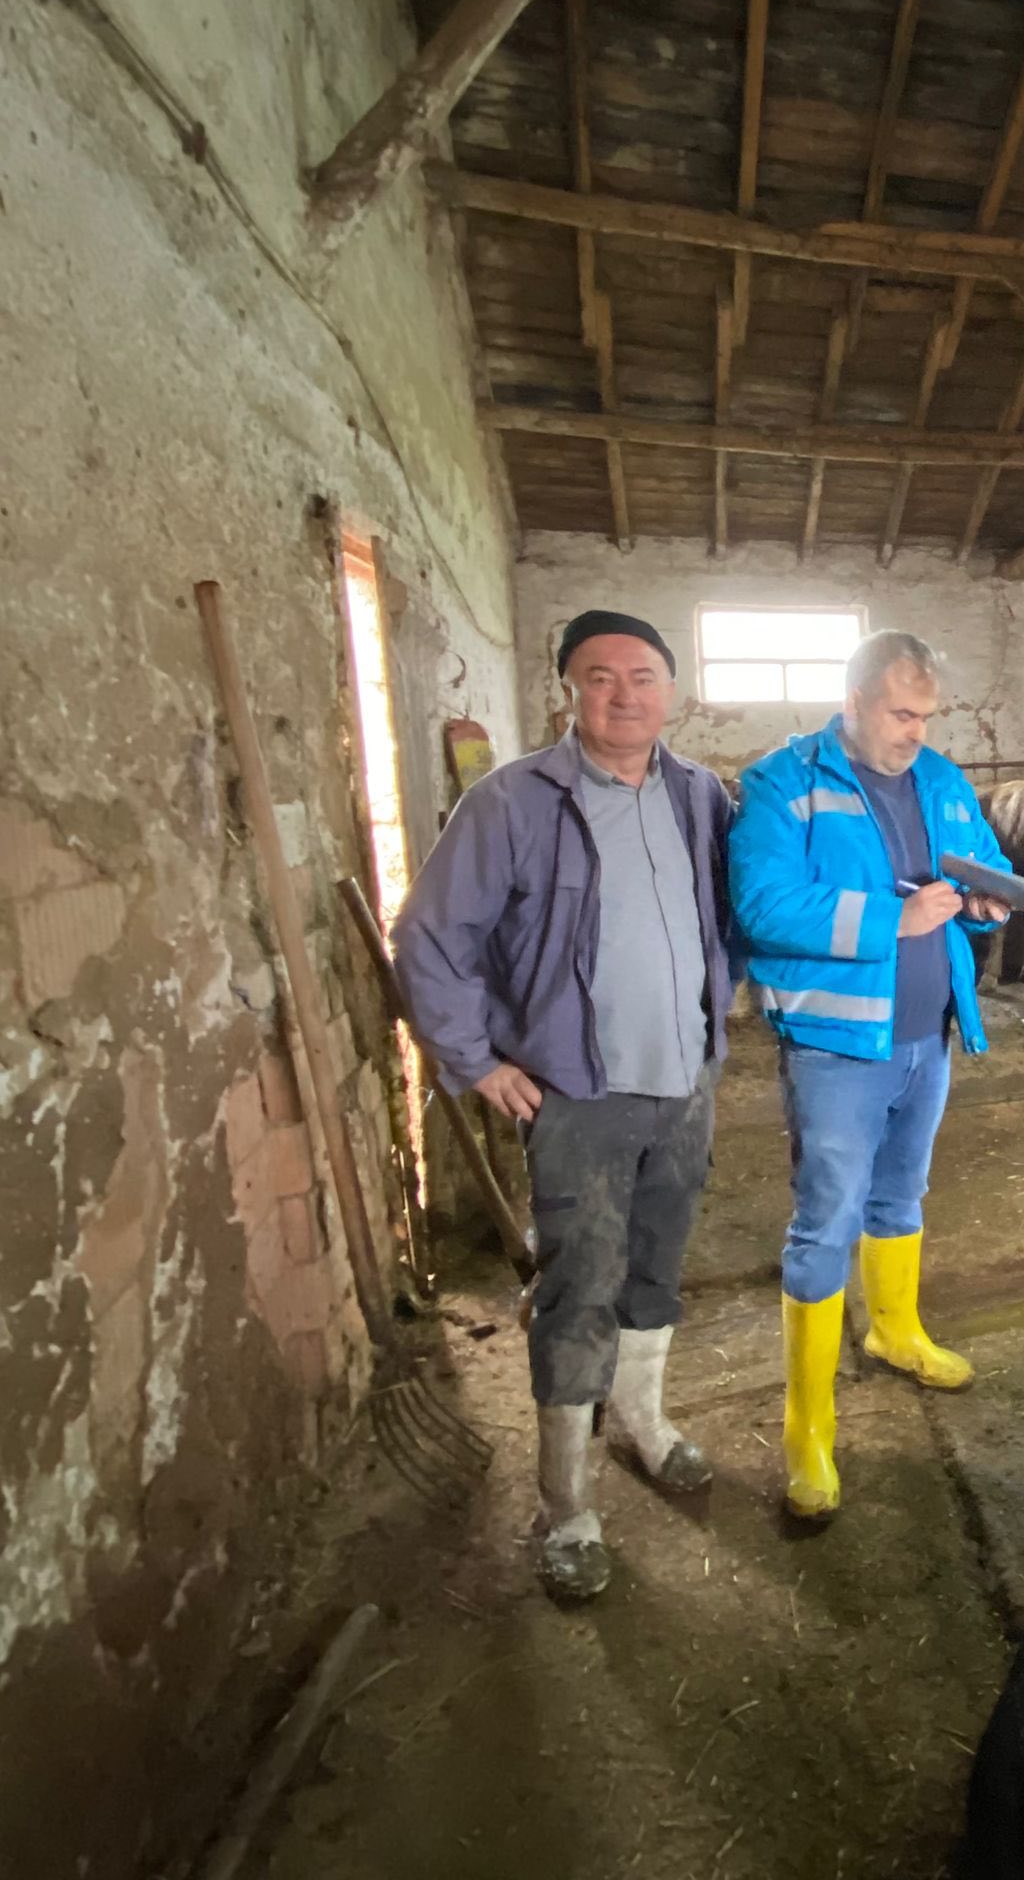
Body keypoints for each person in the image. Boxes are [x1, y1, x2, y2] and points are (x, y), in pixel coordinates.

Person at [393, 609, 733, 1602]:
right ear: (567, 691)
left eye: (641, 674)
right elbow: (431, 936)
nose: (622, 693)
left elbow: (728, 914)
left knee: (657, 1267)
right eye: (598, 677)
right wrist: (474, 1060)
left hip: (686, 1082)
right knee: (577, 1283)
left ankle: (643, 1419)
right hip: (576, 1093)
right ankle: (567, 1504)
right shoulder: (509, 801)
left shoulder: (700, 794)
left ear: (672, 689)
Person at [728, 630, 1013, 1521]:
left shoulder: (939, 779)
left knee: (902, 1198)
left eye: (926, 717)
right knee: (824, 1225)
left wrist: (990, 896)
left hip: (928, 1034)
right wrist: (893, 919)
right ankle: (808, 1428)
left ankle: (894, 1330)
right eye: (900, 714)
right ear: (851, 702)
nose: (915, 733)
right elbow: (762, 905)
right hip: (835, 1047)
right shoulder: (786, 781)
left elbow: (984, 858)